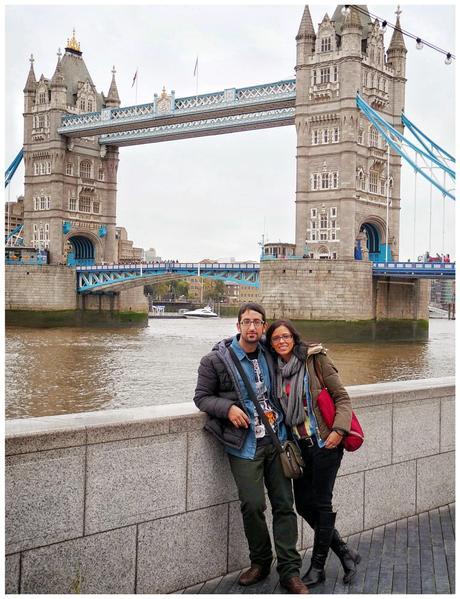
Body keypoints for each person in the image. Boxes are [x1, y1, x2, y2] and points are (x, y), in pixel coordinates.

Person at [194, 303, 308, 594]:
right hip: (245, 445)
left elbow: (299, 351)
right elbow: (202, 397)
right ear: (238, 326)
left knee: (284, 505)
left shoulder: (271, 353)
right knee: (253, 505)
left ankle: (290, 571)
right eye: (247, 322)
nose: (252, 327)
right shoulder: (216, 360)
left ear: (263, 326)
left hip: (278, 439)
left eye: (258, 322)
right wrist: (228, 407)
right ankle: (260, 561)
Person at [265, 319, 360, 587]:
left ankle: (317, 567)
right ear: (271, 344)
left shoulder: (315, 360)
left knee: (321, 504)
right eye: (275, 339)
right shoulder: (277, 370)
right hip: (298, 447)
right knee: (304, 505)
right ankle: (344, 552)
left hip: (325, 443)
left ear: (294, 338)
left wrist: (339, 431)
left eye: (286, 336)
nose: (281, 341)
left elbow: (342, 397)